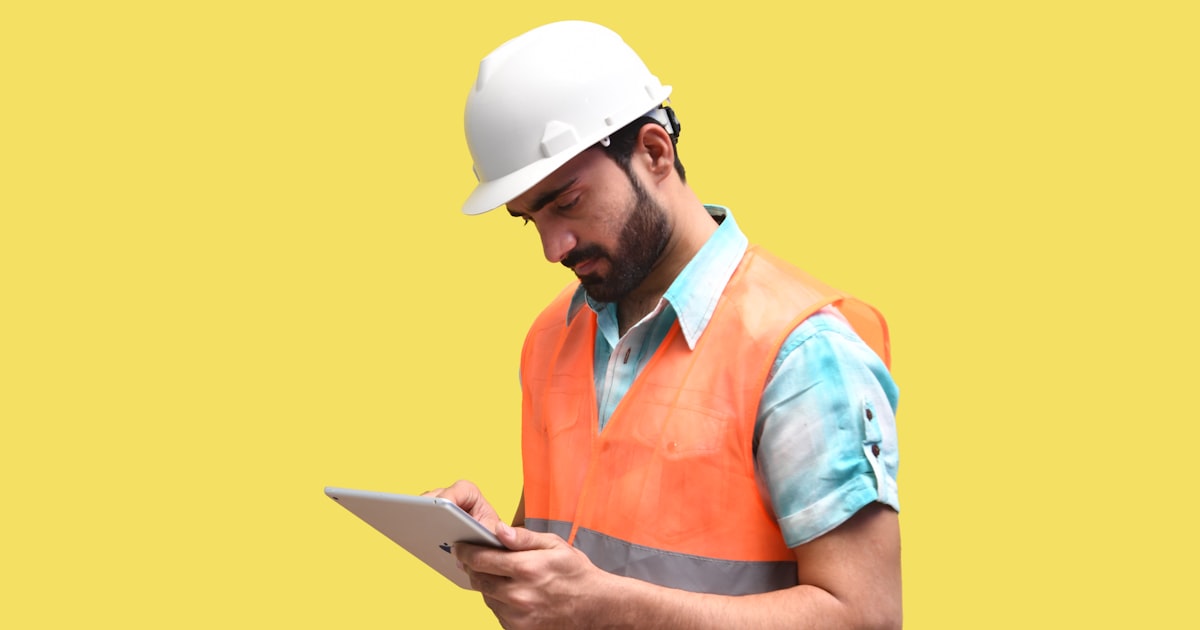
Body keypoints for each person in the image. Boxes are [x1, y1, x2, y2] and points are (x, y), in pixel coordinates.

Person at [426, 20, 902, 629]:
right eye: (528, 220)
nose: (553, 247)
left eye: (566, 202)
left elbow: (866, 617)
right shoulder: (552, 334)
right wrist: (496, 545)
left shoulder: (801, 351)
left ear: (654, 151)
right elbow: (577, 542)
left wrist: (606, 606)